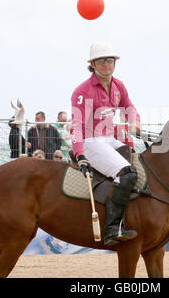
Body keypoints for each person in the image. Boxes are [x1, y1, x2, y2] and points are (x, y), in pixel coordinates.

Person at [70, 41, 141, 246]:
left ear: (115, 62)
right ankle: (112, 229)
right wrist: (79, 154)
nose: (106, 64)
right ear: (92, 64)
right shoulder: (83, 91)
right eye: (100, 61)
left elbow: (129, 106)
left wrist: (133, 119)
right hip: (91, 141)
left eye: (109, 60)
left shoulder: (118, 85)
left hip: (110, 138)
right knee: (127, 174)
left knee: (142, 167)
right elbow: (77, 125)